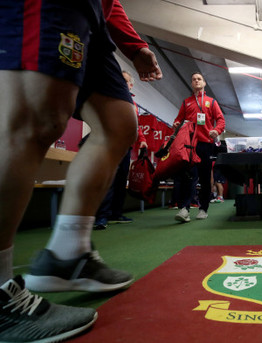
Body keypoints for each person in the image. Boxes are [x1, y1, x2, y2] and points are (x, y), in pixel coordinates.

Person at [0, 1, 162, 342]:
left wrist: (135, 46)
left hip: (92, 17)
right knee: (34, 118)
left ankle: (67, 253)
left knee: (118, 123)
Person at [93, 70, 148, 230]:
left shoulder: (133, 104)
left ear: (130, 85)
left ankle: (115, 214)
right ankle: (101, 216)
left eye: (125, 81)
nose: (122, 83)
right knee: (108, 180)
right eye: (120, 79)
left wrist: (142, 141)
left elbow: (136, 126)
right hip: (110, 145)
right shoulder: (109, 98)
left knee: (120, 181)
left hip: (126, 147)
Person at [173, 72, 226, 222]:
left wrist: (217, 130)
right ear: (191, 84)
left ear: (204, 83)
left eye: (199, 79)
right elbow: (178, 119)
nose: (196, 81)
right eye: (193, 79)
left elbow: (221, 120)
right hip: (189, 145)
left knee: (204, 178)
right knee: (188, 177)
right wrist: (176, 124)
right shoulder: (186, 102)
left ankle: (203, 208)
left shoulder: (211, 102)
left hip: (205, 144)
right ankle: (184, 209)